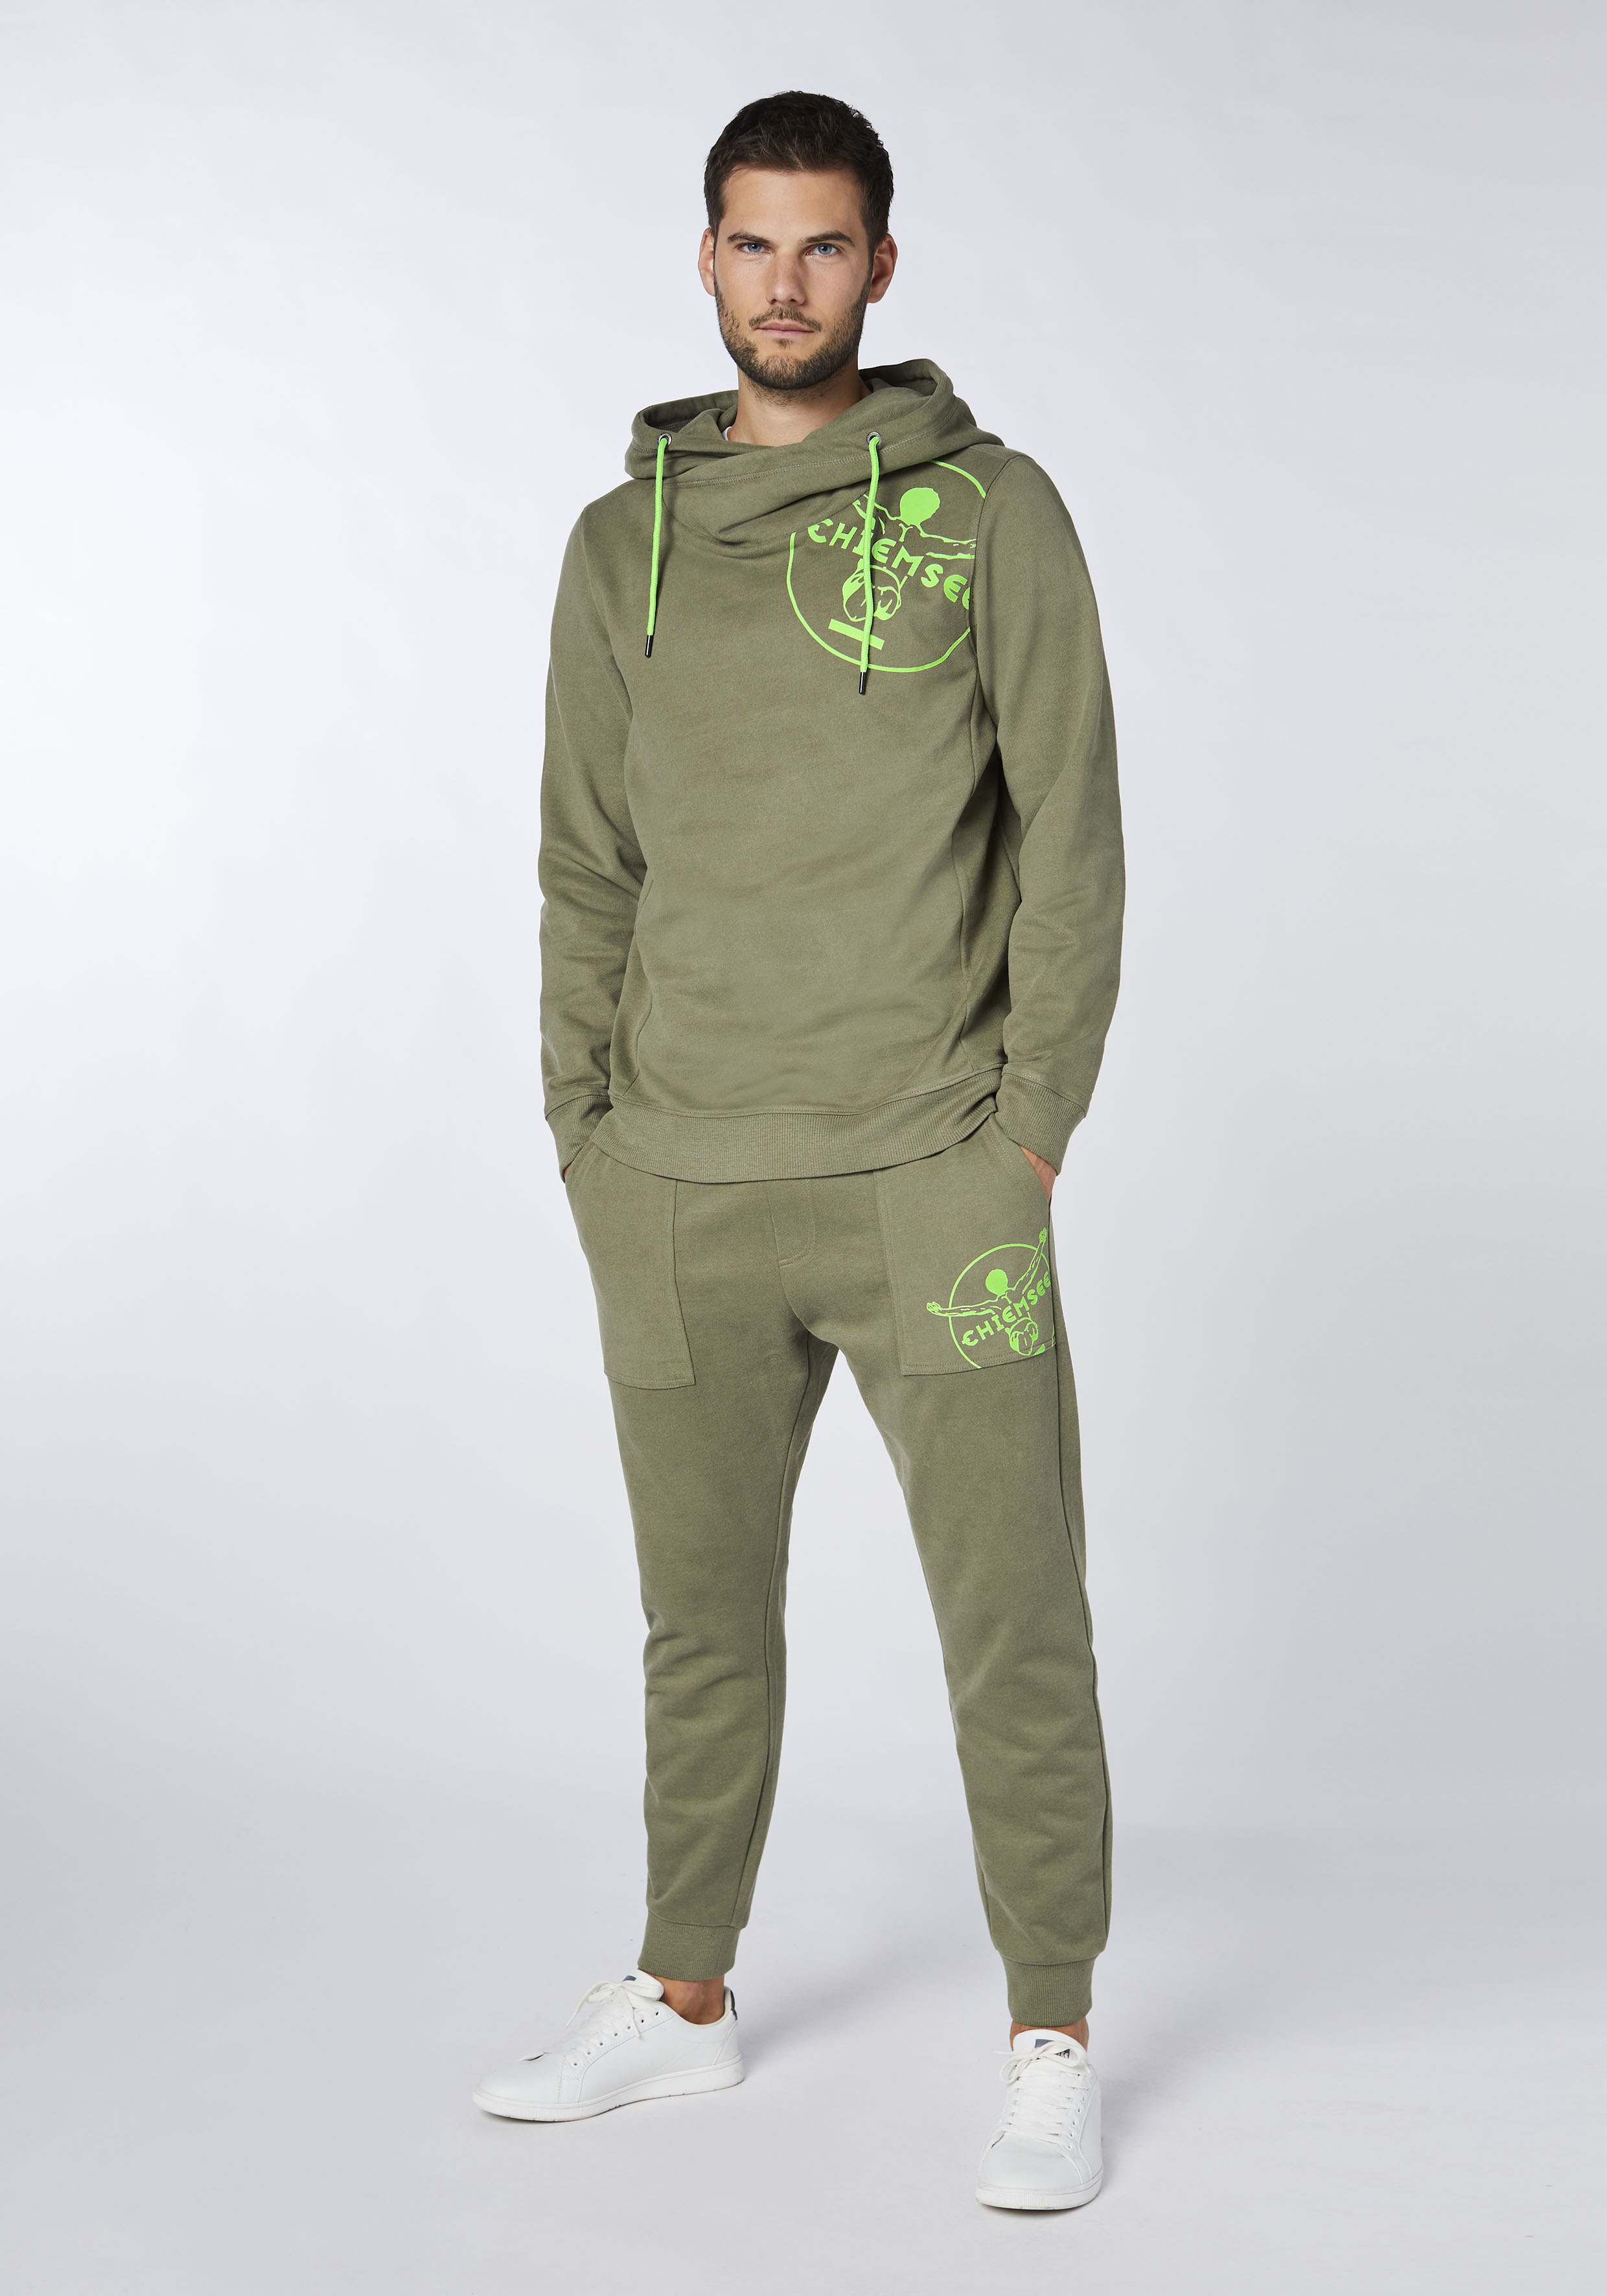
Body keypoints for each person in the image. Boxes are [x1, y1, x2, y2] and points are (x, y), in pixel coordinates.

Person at [474, 89, 1124, 2213]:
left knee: (1013, 1618)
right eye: (752, 244)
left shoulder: (993, 512)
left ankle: (1051, 2031)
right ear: (704, 259)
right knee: (700, 1626)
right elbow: (585, 863)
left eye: (824, 245)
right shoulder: (619, 545)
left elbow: (1072, 842)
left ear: (882, 266)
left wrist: (1028, 1136)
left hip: (936, 1171)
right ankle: (685, 1999)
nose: (786, 283)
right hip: (677, 1181)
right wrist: (586, 1135)